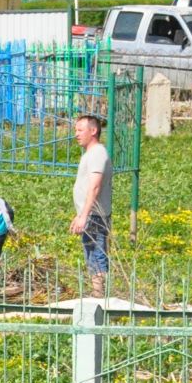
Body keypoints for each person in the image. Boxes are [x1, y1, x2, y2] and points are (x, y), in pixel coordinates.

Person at [69, 113, 112, 297]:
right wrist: (80, 213)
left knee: (96, 252)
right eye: (75, 130)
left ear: (93, 131)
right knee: (91, 252)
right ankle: (98, 293)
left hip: (95, 214)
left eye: (80, 130)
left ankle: (99, 295)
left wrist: (85, 215)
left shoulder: (97, 154)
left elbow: (95, 186)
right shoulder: (92, 154)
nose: (76, 134)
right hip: (89, 213)